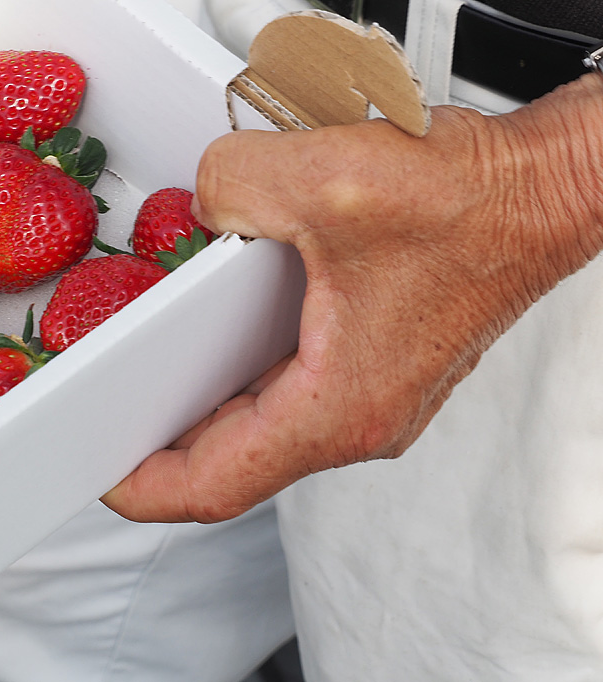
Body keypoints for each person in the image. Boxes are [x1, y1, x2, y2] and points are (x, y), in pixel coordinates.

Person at [98, 1, 603, 681]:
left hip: (536, 146)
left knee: (434, 638)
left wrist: (556, 176)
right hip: (209, 35)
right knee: (42, 615)